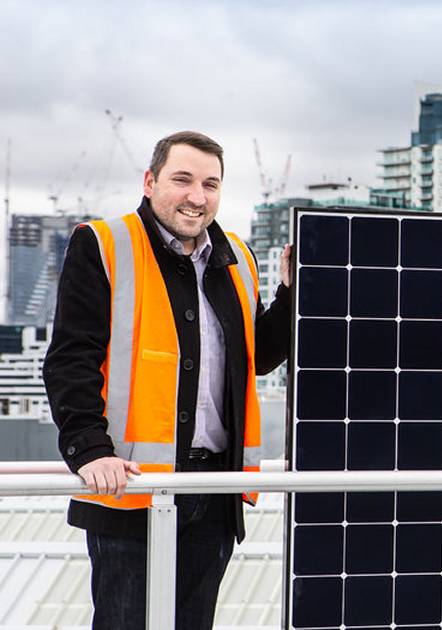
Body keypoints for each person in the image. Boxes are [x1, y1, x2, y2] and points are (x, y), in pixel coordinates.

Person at [44, 131, 293, 629]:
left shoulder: (238, 259)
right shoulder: (104, 244)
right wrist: (89, 450)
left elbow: (256, 358)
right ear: (150, 180)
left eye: (211, 184)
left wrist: (290, 293)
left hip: (214, 491)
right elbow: (72, 357)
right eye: (182, 180)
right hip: (131, 490)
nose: (197, 197)